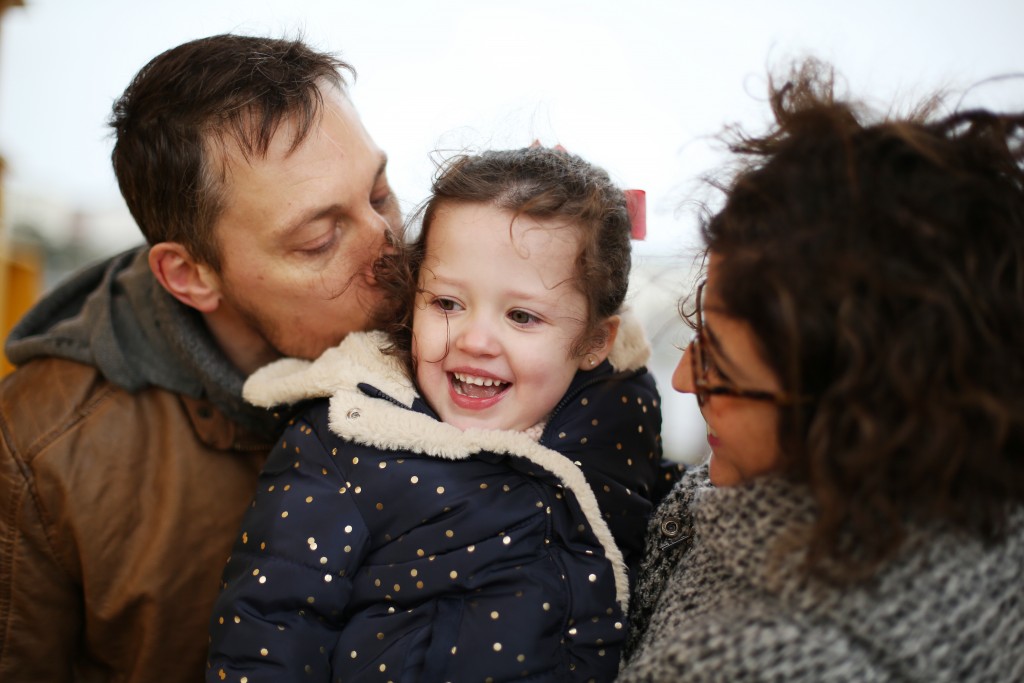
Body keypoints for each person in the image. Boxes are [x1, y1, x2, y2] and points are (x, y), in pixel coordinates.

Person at [0, 34, 401, 683]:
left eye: (381, 194)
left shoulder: (462, 347)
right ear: (189, 275)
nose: (392, 248)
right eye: (321, 238)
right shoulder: (37, 456)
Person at [206, 146, 677, 682]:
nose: (475, 341)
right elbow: (268, 632)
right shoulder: (346, 443)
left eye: (521, 316)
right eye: (447, 304)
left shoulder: (618, 415)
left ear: (595, 340)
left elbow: (663, 515)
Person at [619, 61, 1024, 682]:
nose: (682, 379)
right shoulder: (987, 527)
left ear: (859, 405)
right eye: (698, 330)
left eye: (721, 360)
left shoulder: (767, 664)